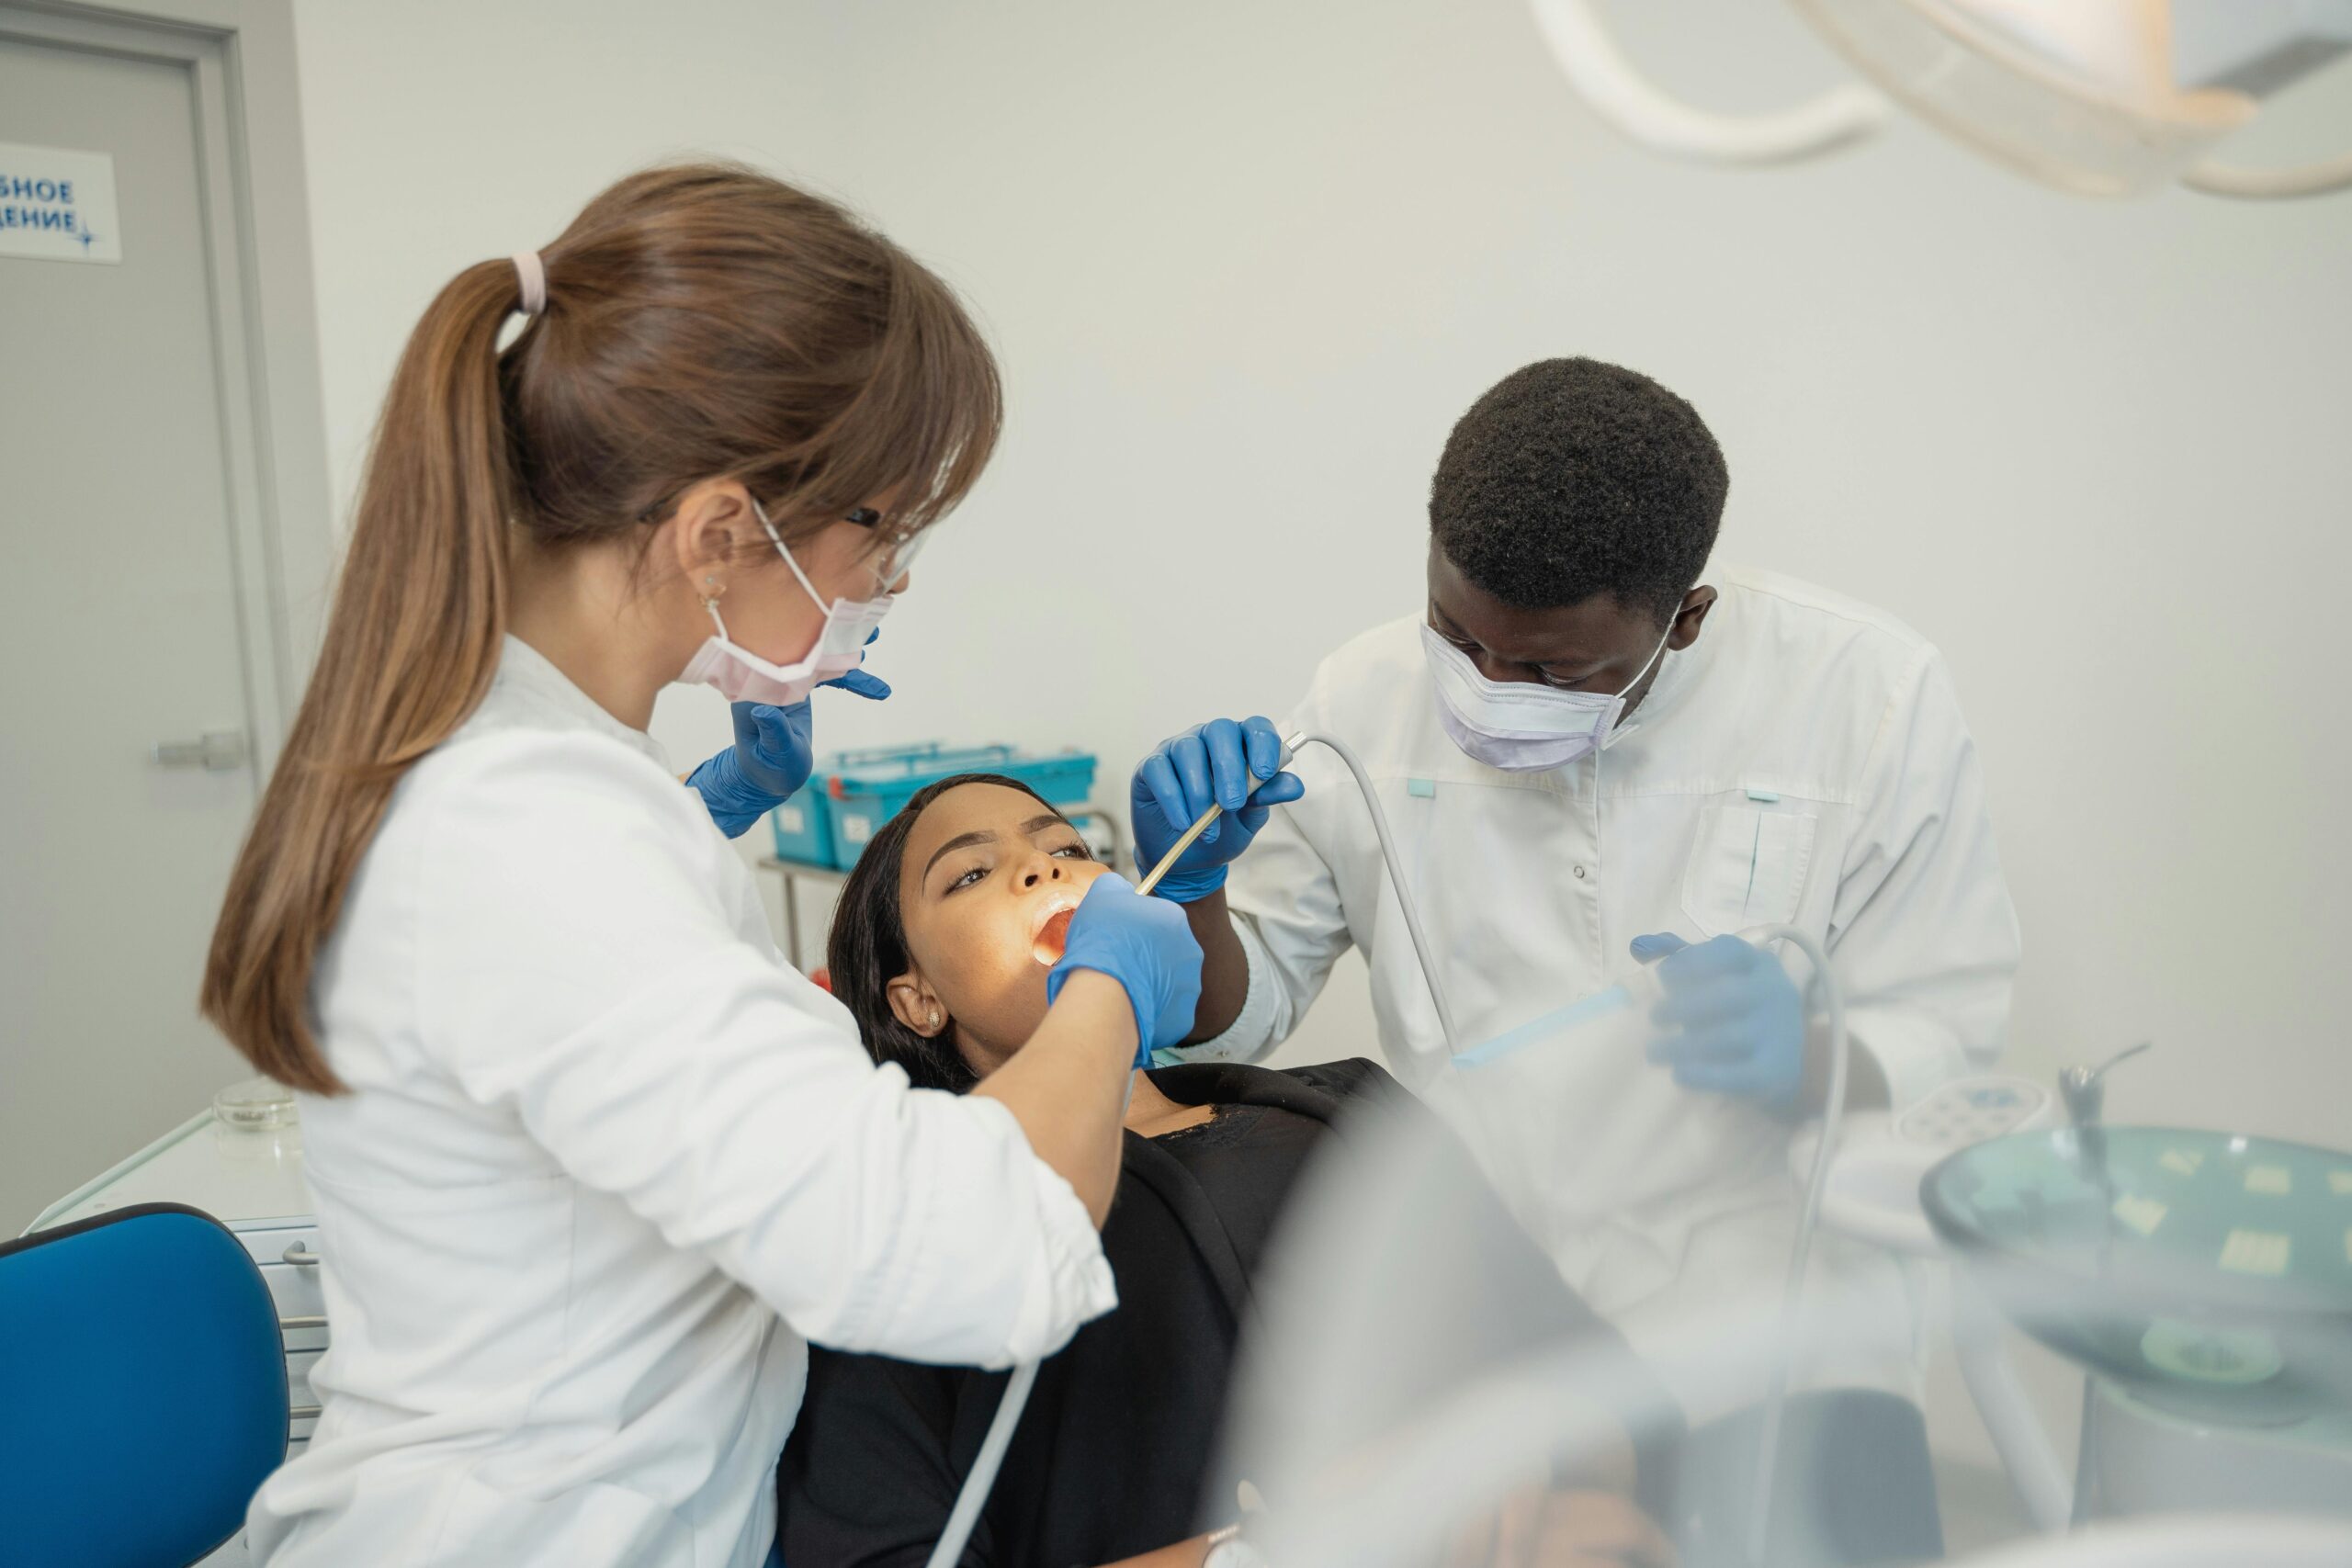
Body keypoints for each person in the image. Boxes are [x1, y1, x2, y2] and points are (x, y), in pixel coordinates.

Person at [198, 164, 1205, 1568]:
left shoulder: (541, 782)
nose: (884, 582)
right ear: (720, 529)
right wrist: (1110, 969)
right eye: (882, 531)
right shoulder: (526, 827)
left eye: (1060, 850)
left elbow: (580, 972)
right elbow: (959, 1246)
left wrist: (707, 812)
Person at [1131, 358, 2018, 1562]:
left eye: (1553, 670)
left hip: (1772, 1322)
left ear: (1685, 616)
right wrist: (1194, 893)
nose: (1489, 688)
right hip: (1493, 1321)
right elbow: (1239, 1019)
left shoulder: (1869, 694)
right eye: (1458, 633)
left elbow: (1951, 1030)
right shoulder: (1365, 691)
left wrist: (1818, 1059)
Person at [776, 774, 1681, 1568]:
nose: (1044, 868)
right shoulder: (901, 1234)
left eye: (1069, 847)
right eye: (970, 874)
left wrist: (1531, 1485)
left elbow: (1603, 1391)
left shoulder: (1346, 1108)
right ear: (917, 998)